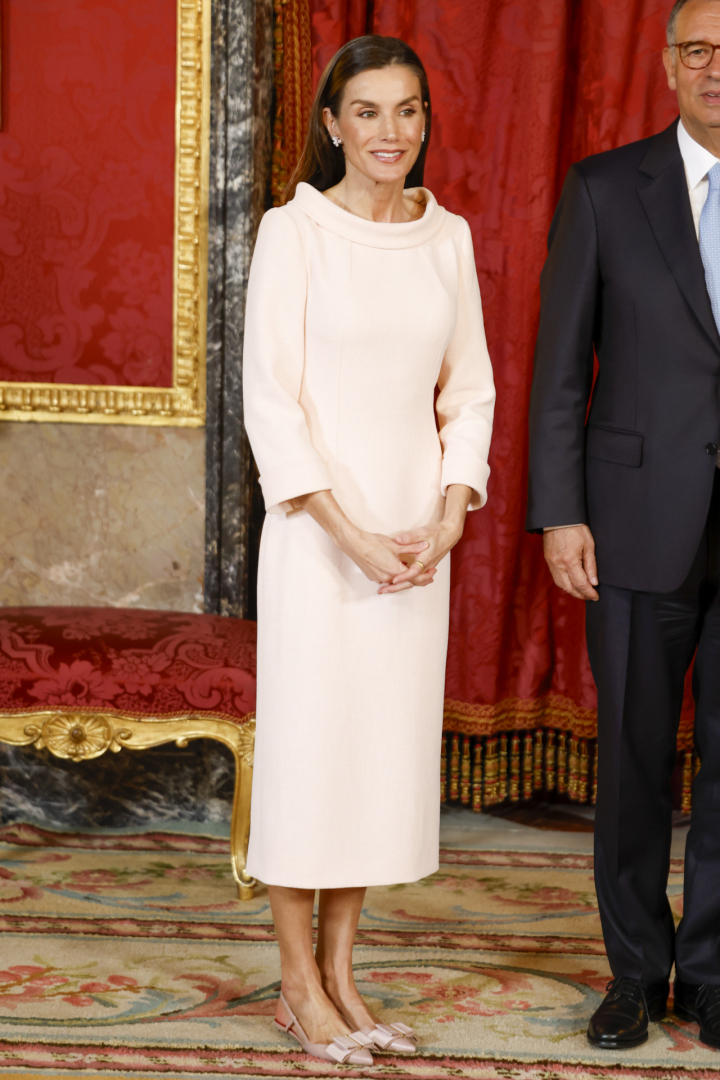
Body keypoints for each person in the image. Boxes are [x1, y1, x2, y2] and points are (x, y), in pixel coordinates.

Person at [242, 35, 495, 1066]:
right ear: (333, 124)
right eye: (368, 111)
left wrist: (450, 515)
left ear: (425, 120)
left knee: (373, 759)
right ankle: (297, 984)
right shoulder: (293, 230)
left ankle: (344, 974)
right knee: (311, 755)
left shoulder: (448, 237)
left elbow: (469, 392)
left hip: (415, 544)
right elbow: (270, 400)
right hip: (319, 539)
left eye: (408, 110)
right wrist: (348, 534)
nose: (392, 131)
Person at [527, 0, 720, 1054]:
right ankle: (637, 975)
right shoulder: (606, 188)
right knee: (635, 757)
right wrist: (561, 512)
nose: (717, 68)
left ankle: (714, 975)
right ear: (668, 66)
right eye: (699, 50)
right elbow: (561, 368)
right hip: (638, 517)